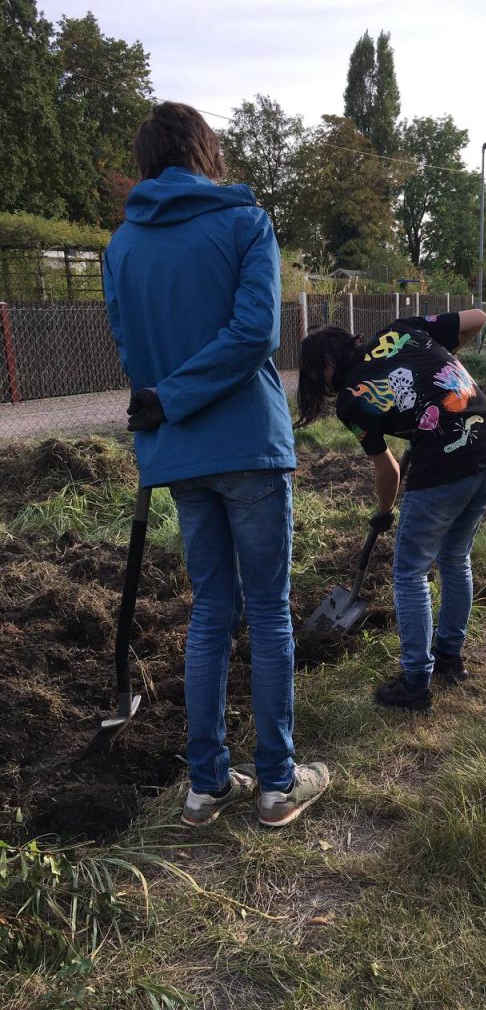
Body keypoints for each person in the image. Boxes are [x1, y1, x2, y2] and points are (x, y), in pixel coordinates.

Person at [103, 102, 328, 828]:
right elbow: (257, 333)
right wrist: (176, 393)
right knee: (265, 611)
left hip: (178, 453)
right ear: (205, 151)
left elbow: (133, 354)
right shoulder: (244, 223)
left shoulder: (122, 248)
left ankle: (205, 787)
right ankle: (275, 786)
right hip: (248, 447)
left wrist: (166, 400)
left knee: (210, 612)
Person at [296, 309, 486, 711]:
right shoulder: (402, 329)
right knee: (454, 557)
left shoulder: (350, 400)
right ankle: (449, 658)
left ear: (327, 364)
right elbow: (478, 317)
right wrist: (444, 361)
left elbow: (388, 469)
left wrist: (383, 510)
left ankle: (415, 682)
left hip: (445, 466)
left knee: (409, 572)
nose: (321, 385)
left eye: (316, 376)